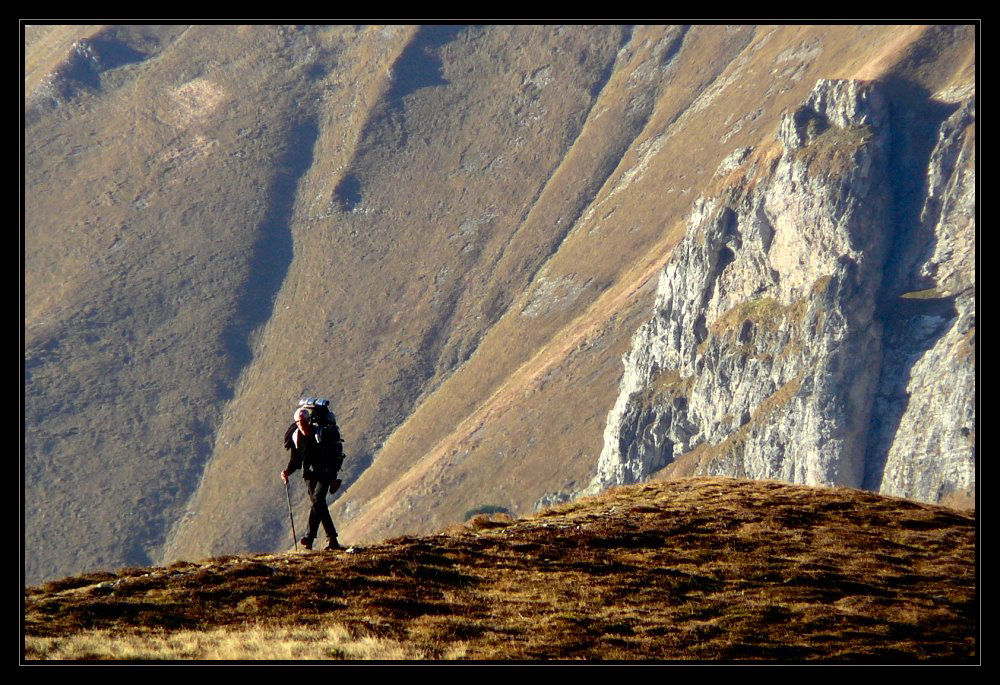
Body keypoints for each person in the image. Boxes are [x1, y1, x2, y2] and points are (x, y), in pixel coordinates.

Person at [281, 404, 344, 550]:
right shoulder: (296, 437)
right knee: (320, 506)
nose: (301, 425)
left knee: (317, 501)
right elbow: (296, 459)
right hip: (309, 476)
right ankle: (332, 540)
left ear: (308, 421)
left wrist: (333, 476)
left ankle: (309, 537)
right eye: (299, 423)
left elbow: (330, 455)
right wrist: (287, 471)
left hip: (325, 473)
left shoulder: (320, 435)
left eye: (303, 422)